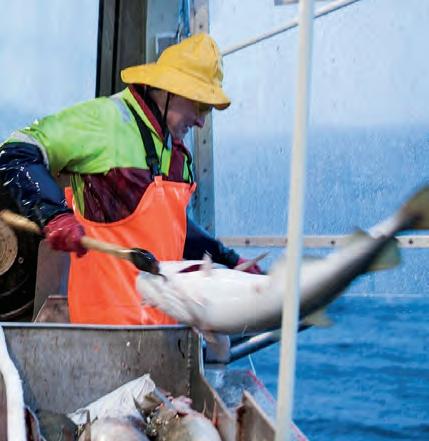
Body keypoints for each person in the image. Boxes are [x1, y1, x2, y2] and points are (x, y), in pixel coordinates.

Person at [0, 33, 261, 325]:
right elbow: (17, 149)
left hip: (162, 336)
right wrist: (53, 213)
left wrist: (229, 260)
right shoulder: (105, 120)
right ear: (172, 91)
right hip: (103, 336)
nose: (201, 121)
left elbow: (170, 228)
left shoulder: (176, 153)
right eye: (200, 105)